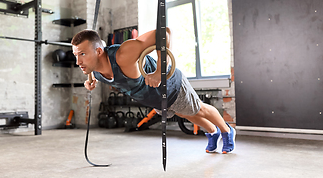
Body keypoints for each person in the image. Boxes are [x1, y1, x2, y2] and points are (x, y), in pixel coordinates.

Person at [71, 28, 236, 154]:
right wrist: (90, 81)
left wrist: (159, 70)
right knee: (187, 113)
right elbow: (94, 74)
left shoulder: (123, 55)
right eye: (76, 55)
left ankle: (227, 131)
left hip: (170, 85)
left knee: (199, 108)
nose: (78, 61)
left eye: (83, 54)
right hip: (155, 98)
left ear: (99, 51)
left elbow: (164, 32)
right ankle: (213, 132)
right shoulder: (94, 68)